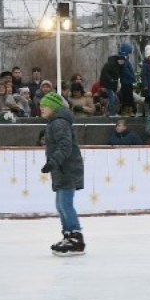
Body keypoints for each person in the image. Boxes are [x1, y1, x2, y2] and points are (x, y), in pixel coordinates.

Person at [39, 92, 85, 256]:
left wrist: (53, 162)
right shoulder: (55, 122)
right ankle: (67, 235)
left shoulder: (59, 122)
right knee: (60, 205)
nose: (41, 108)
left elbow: (65, 147)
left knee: (65, 204)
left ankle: (75, 237)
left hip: (67, 168)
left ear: (53, 107)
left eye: (44, 106)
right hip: (62, 168)